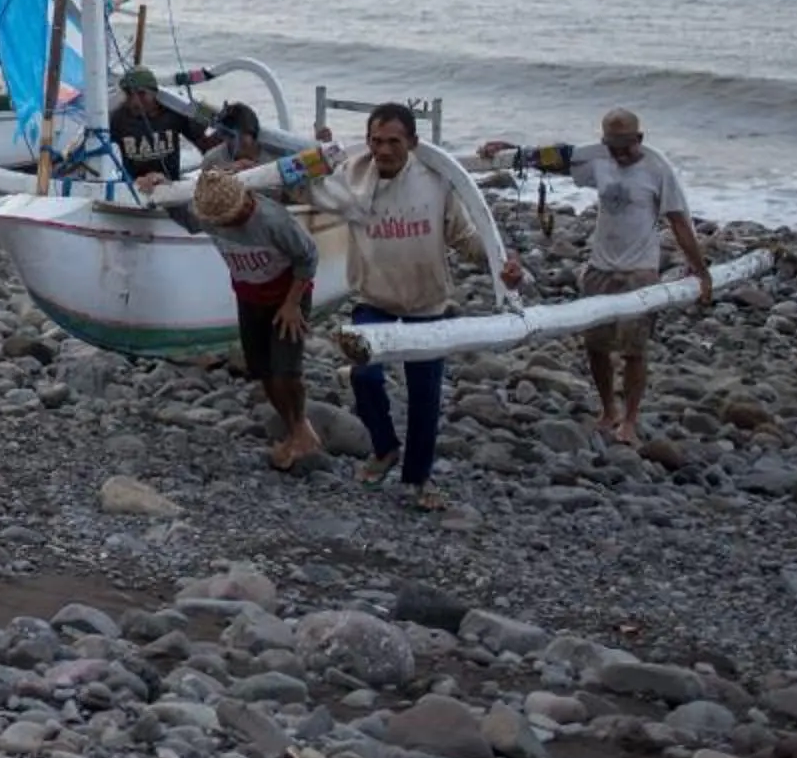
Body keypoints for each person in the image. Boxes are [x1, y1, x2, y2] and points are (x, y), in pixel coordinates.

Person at [478, 109, 712, 446]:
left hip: (640, 272)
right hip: (601, 267)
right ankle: (608, 411)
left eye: (625, 146)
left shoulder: (657, 169)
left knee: (634, 351)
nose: (618, 153)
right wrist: (507, 151)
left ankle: (630, 420)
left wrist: (701, 271)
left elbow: (679, 222)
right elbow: (551, 158)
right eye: (612, 145)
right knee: (597, 347)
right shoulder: (598, 158)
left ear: (640, 139)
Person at [337, 101, 523, 509]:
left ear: (414, 143)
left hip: (427, 302)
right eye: (375, 141)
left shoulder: (435, 181)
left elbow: (464, 238)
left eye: (393, 142)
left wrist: (500, 265)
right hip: (374, 298)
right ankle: (384, 447)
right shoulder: (350, 178)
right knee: (364, 378)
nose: (383, 151)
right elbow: (302, 185)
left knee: (425, 397)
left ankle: (418, 480)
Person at [193, 167, 320, 469]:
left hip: (288, 294)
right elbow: (176, 211)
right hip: (250, 297)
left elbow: (308, 256)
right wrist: (154, 185)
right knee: (262, 369)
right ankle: (293, 429)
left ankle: (301, 425)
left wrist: (292, 304)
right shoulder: (206, 213)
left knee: (286, 371)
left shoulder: (273, 220)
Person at [111, 67, 215, 183]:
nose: (135, 101)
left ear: (155, 93)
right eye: (130, 94)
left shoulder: (174, 114)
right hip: (131, 188)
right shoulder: (117, 119)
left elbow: (203, 143)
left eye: (141, 94)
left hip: (170, 185)